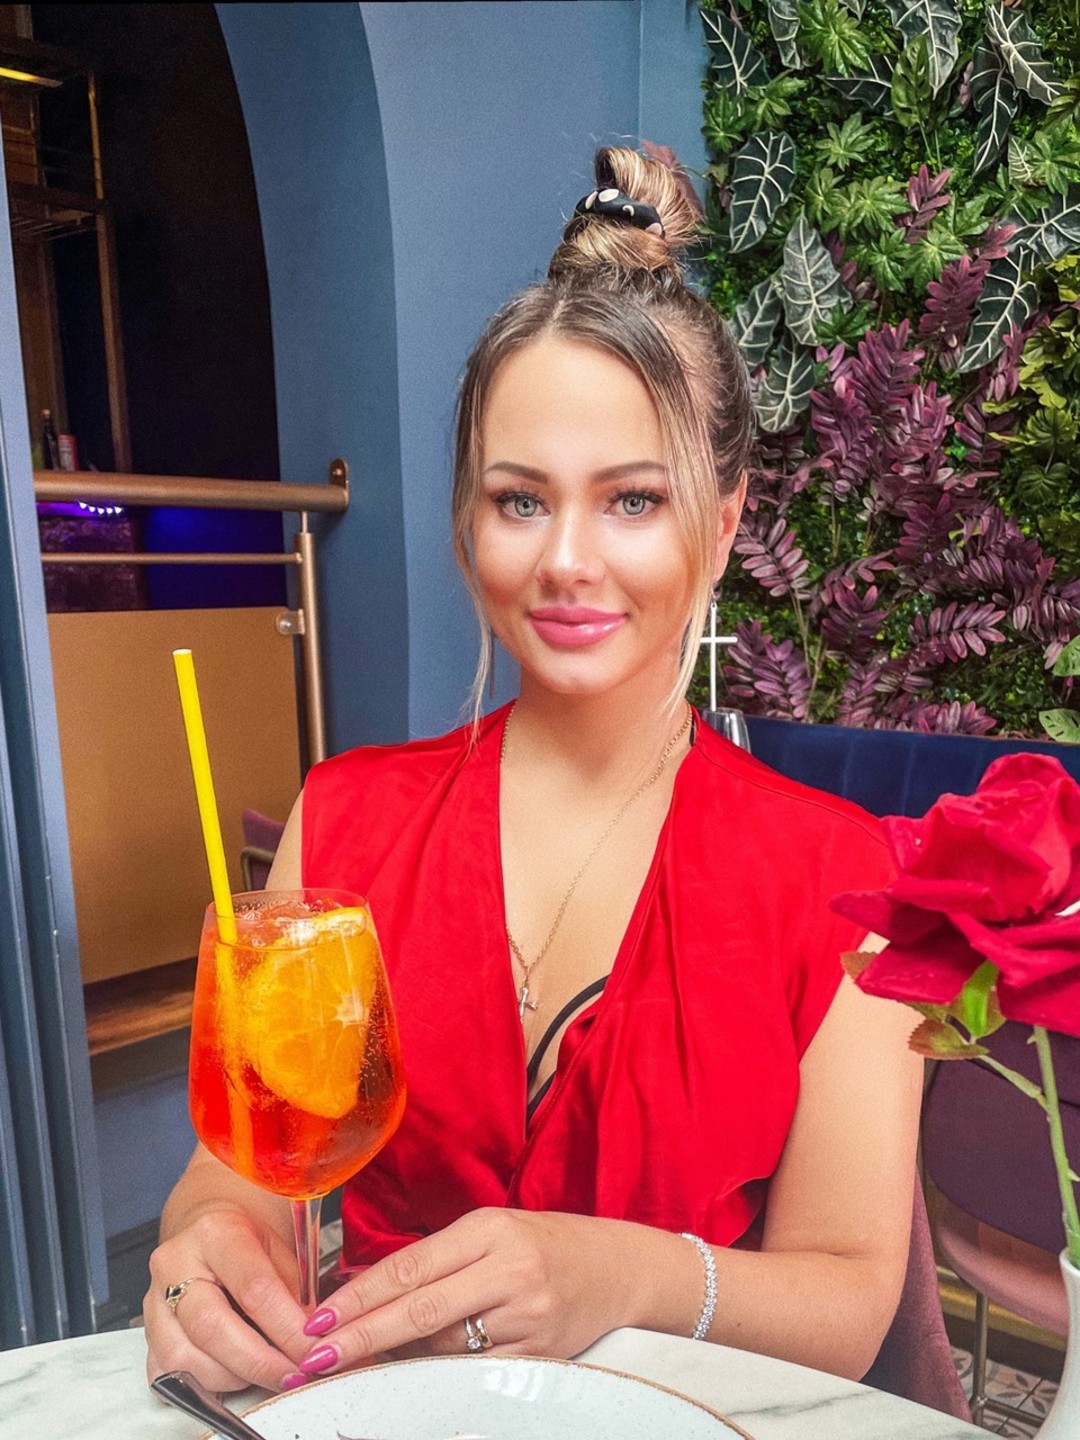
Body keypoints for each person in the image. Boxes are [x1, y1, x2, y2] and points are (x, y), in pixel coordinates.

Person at [144, 146, 921, 1394]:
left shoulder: (844, 880)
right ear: (468, 524)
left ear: (723, 522)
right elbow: (237, 1175)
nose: (565, 559)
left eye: (632, 501)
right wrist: (204, 1249)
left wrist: (625, 1275)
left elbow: (848, 1302)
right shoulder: (345, 820)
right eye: (519, 501)